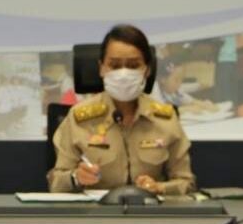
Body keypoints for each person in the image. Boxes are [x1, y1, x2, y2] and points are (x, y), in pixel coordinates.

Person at [47, 24, 197, 195]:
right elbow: (55, 184)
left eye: (133, 65)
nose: (124, 73)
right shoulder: (79, 118)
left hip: (148, 209)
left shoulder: (165, 119)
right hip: (95, 210)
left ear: (147, 70)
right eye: (115, 65)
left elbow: (187, 183)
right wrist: (76, 177)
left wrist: (159, 188)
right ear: (101, 68)